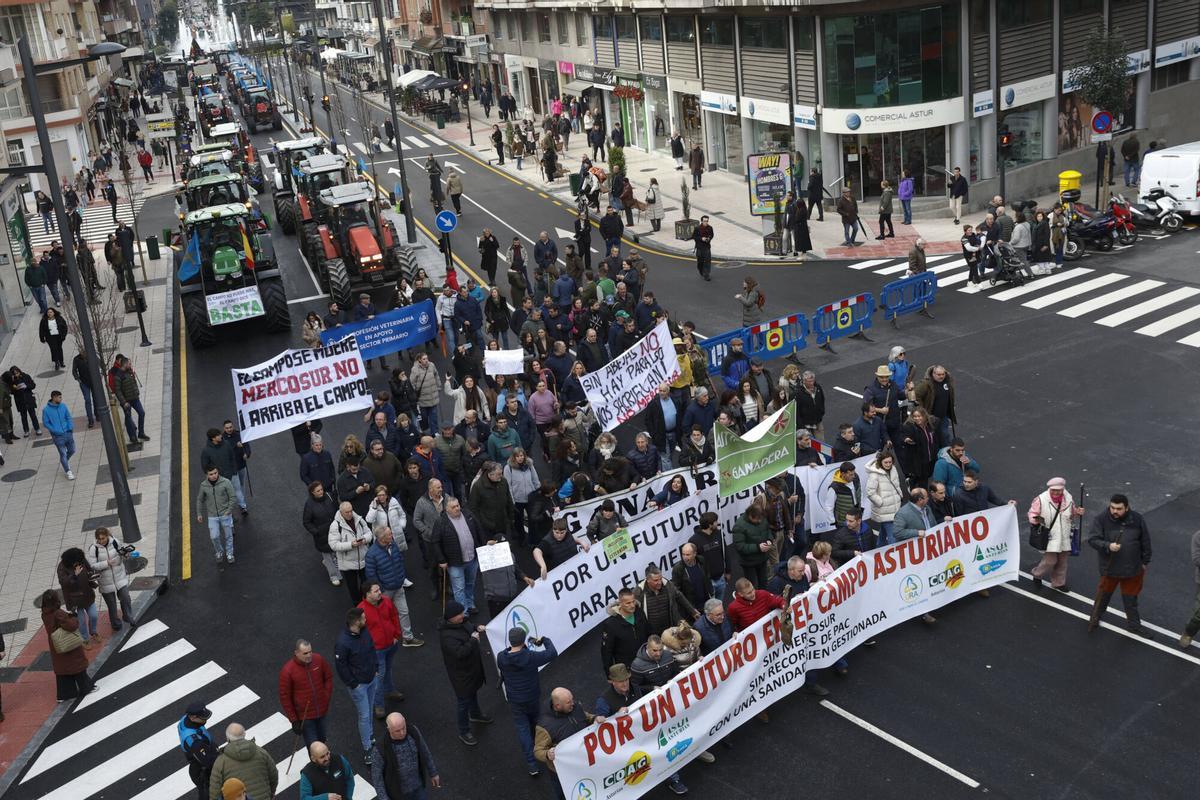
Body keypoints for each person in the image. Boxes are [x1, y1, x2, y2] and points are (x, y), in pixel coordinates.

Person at [1087, 494, 1153, 637]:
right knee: (1103, 596)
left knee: (1131, 600)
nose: (1114, 511)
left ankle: (1133, 625)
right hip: (1110, 569)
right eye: (1112, 507)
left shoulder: (1137, 519)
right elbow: (1092, 539)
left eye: (1119, 508)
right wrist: (1108, 545)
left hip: (1132, 569)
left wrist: (1144, 561)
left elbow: (1145, 541)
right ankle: (1095, 616)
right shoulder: (1101, 519)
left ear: (1127, 507)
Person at [497, 629, 558, 776]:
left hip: (514, 700)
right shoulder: (530, 656)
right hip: (531, 697)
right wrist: (545, 640)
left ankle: (532, 764)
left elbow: (510, 655)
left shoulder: (501, 657)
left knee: (522, 729)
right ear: (523, 640)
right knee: (536, 723)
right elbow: (552, 653)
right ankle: (541, 748)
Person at [438, 601, 492, 746]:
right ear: (451, 617)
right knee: (463, 702)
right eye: (460, 614)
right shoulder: (447, 637)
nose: (463, 615)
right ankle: (464, 731)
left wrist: (477, 628)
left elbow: (469, 627)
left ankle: (475, 715)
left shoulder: (461, 622)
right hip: (461, 674)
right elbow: (460, 653)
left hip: (470, 669)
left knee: (472, 692)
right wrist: (473, 640)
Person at [335, 607, 380, 764]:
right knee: (364, 715)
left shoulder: (365, 631)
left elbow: (372, 649)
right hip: (359, 685)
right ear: (356, 622)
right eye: (363, 618)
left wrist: (376, 668)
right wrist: (354, 684)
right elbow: (341, 667)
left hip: (371, 678)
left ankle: (370, 734)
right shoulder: (343, 642)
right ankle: (367, 747)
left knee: (369, 709)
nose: (366, 619)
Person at [365, 526, 423, 647]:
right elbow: (371, 575)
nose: (392, 535)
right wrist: (381, 589)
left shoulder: (393, 544)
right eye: (389, 534)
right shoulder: (371, 554)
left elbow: (400, 561)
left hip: (398, 586)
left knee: (404, 612)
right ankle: (386, 639)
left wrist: (401, 578)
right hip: (385, 591)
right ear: (382, 538)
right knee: (384, 616)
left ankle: (407, 638)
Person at [1026, 477, 1084, 593]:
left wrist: (1077, 512)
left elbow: (1071, 514)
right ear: (1050, 488)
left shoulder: (1068, 498)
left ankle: (1058, 583)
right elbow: (1032, 513)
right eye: (1053, 490)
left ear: (1063, 489)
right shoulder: (1041, 499)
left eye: (1059, 490)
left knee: (1063, 561)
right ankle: (1037, 574)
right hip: (1050, 535)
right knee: (1050, 561)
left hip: (1065, 534)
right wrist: (1036, 519)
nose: (1056, 492)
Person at [432, 496, 488, 614]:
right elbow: (435, 542)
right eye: (453, 507)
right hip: (454, 563)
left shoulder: (468, 515)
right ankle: (463, 612)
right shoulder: (441, 522)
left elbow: (479, 531)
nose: (457, 508)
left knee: (470, 584)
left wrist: (484, 547)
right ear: (447, 509)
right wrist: (441, 560)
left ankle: (470, 604)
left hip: (472, 559)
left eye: (458, 505)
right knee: (459, 589)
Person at [371, 712, 441, 798]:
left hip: (418, 787)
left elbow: (425, 751)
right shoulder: (380, 749)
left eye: (403, 728)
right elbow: (377, 778)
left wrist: (433, 773)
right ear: (389, 729)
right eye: (397, 731)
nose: (402, 733)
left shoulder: (413, 731)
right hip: (398, 795)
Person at [279, 639, 334, 747]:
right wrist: (294, 720)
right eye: (305, 653)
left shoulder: (319, 660)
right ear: (296, 653)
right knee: (313, 746)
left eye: (310, 652)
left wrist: (326, 696)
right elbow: (285, 697)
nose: (309, 655)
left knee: (322, 740)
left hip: (322, 712)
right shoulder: (288, 671)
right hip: (305, 717)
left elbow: (328, 677)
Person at [207, 722, 279, 800]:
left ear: (227, 739)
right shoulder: (261, 752)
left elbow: (215, 791)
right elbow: (273, 776)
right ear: (244, 735)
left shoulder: (220, 762)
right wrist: (271, 794)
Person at [87, 527, 136, 631]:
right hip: (105, 581)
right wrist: (106, 563)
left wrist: (126, 555)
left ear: (107, 536)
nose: (101, 541)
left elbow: (122, 555)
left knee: (126, 598)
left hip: (119, 577)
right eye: (99, 539)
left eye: (103, 538)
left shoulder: (115, 542)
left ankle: (128, 617)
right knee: (112, 605)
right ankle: (116, 624)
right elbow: (93, 565)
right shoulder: (93, 548)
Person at [202, 427, 248, 516]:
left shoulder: (226, 444)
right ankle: (229, 515)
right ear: (213, 438)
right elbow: (205, 466)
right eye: (218, 435)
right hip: (220, 478)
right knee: (224, 497)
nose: (221, 436)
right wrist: (213, 477)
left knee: (238, 491)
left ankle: (243, 507)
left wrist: (234, 470)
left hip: (232, 474)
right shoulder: (206, 451)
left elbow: (232, 457)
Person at [196, 466, 237, 563]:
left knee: (228, 535)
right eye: (211, 474)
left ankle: (230, 554)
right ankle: (219, 551)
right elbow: (200, 499)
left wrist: (229, 510)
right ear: (207, 475)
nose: (214, 476)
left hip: (225, 514)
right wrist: (199, 513)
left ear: (218, 472)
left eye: (215, 473)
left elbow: (233, 497)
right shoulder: (203, 485)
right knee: (214, 536)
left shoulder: (226, 482)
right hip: (212, 516)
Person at [177, 701, 217, 800]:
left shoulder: (185, 720)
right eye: (203, 718)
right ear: (193, 717)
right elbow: (209, 762)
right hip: (203, 772)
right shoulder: (195, 742)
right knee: (207, 794)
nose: (205, 720)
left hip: (202, 759)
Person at [865, 450, 905, 545]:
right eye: (885, 462)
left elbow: (896, 484)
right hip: (884, 509)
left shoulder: (893, 469)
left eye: (890, 462)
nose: (888, 464)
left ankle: (879, 548)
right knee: (893, 536)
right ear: (880, 462)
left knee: (883, 532)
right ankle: (894, 553)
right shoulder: (874, 474)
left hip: (895, 506)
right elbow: (870, 492)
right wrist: (880, 502)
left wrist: (900, 495)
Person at [111, 355, 149, 444]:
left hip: (134, 398)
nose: (130, 364)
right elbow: (118, 391)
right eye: (129, 363)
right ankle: (132, 436)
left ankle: (141, 433)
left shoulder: (129, 371)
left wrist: (136, 392)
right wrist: (124, 402)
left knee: (142, 413)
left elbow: (133, 382)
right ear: (125, 364)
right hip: (126, 401)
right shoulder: (118, 376)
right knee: (128, 418)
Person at [42, 390, 76, 480]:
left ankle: (64, 461)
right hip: (58, 436)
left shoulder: (63, 406)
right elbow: (46, 423)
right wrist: (55, 430)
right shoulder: (46, 410)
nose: (61, 399)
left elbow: (68, 417)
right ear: (54, 398)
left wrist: (70, 427)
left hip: (68, 433)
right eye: (59, 397)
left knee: (72, 450)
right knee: (63, 453)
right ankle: (68, 471)